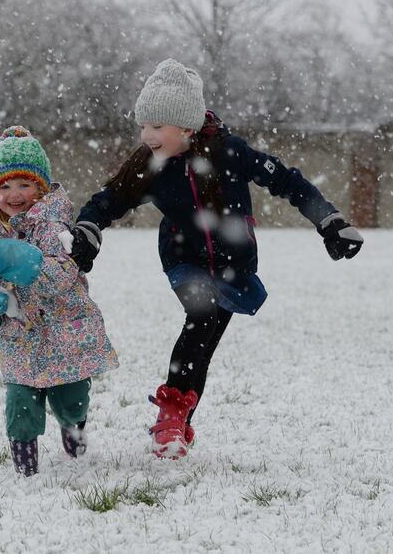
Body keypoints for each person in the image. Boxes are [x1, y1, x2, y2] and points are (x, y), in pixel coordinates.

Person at [68, 59, 364, 459]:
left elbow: (287, 181)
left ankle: (179, 425)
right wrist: (89, 228)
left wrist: (329, 220)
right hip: (183, 261)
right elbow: (108, 200)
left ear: (187, 126)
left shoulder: (231, 152)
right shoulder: (150, 166)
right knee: (201, 315)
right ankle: (170, 417)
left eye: (157, 126)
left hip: (233, 265)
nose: (147, 135)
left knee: (204, 344)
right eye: (144, 125)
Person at [0, 126, 119, 476]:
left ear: (41, 186)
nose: (14, 194)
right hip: (21, 332)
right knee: (20, 402)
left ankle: (74, 423)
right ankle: (25, 461)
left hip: (65, 329)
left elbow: (65, 273)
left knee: (71, 398)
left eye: (24, 184)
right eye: (4, 186)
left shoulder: (54, 223)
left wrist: (29, 266)